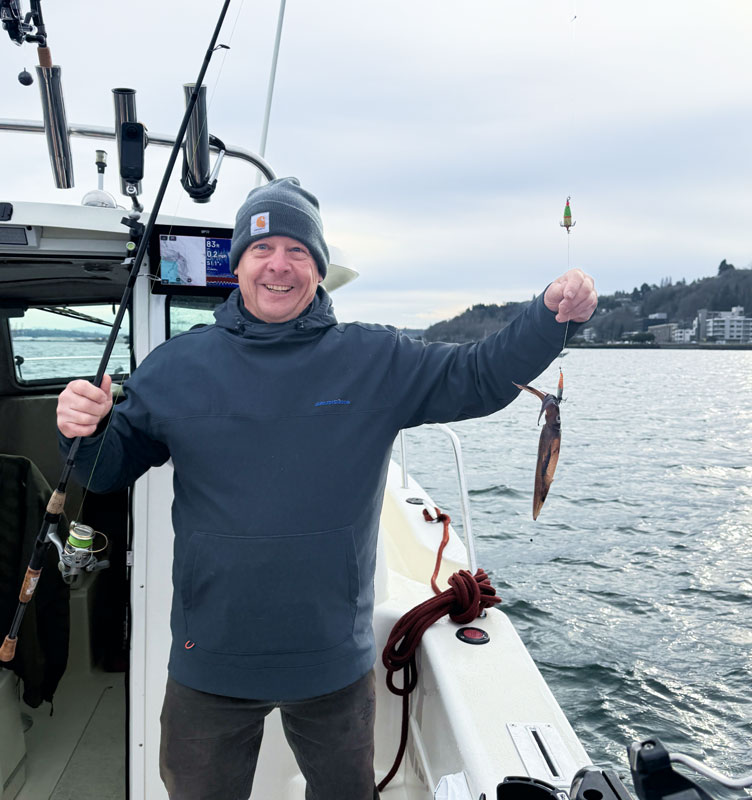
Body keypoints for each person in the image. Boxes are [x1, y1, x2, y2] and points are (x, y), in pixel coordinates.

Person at [56, 177, 597, 800]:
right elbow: (106, 469)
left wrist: (547, 317)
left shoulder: (373, 359)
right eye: (262, 249)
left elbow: (476, 375)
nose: (278, 265)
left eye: (298, 251)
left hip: (332, 663)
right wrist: (82, 430)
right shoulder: (177, 366)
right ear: (238, 264)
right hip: (209, 662)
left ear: (318, 268)